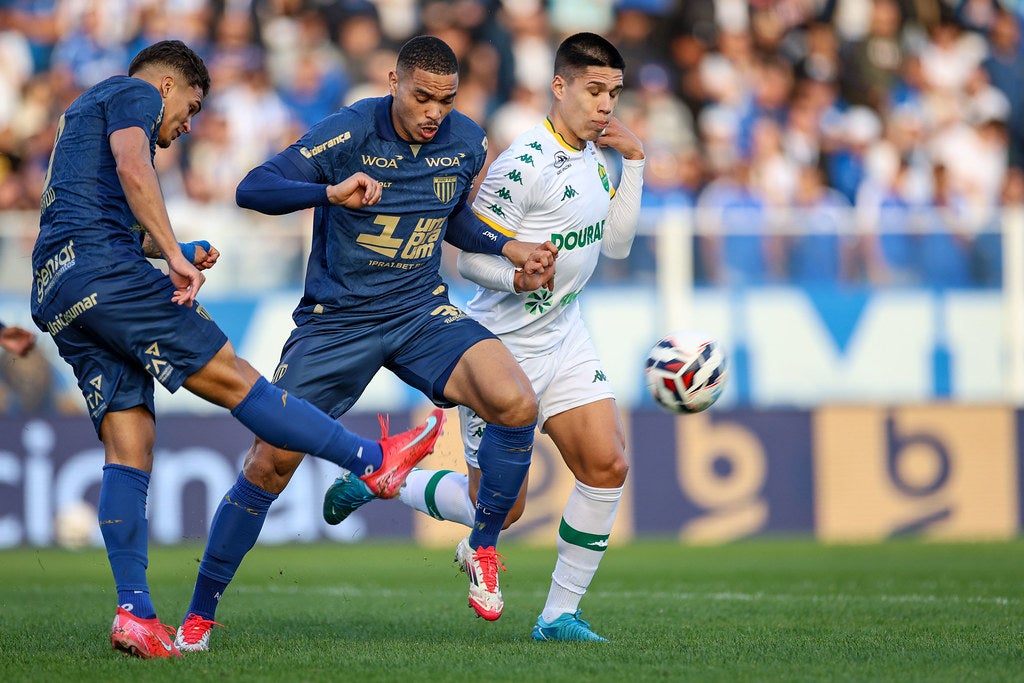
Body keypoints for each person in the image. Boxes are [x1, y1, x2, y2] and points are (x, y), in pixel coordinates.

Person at [29, 39, 447, 660]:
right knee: (235, 379)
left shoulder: (80, 115)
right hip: (107, 274)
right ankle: (368, 459)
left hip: (58, 287)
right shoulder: (135, 92)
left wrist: (174, 243)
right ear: (168, 86)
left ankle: (135, 613)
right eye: (190, 108)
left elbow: (99, 211)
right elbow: (132, 166)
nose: (184, 126)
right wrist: (173, 257)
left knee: (130, 441)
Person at [174, 35, 557, 652]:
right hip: (336, 323)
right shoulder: (350, 130)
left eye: (446, 99)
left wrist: (506, 245)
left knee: (515, 402)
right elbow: (254, 188)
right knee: (269, 463)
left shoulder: (466, 140)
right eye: (422, 97)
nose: (434, 112)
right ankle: (198, 618)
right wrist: (327, 192)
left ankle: (481, 547)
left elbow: (447, 212)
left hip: (418, 311)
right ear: (392, 82)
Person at [323, 32, 644, 642]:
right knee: (505, 507)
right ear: (560, 87)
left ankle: (558, 616)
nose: (606, 105)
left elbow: (620, 244)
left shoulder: (602, 156)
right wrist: (517, 275)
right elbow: (469, 257)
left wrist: (636, 163)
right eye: (594, 90)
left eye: (614, 93)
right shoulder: (522, 163)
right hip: (502, 345)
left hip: (565, 333)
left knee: (607, 464)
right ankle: (381, 479)